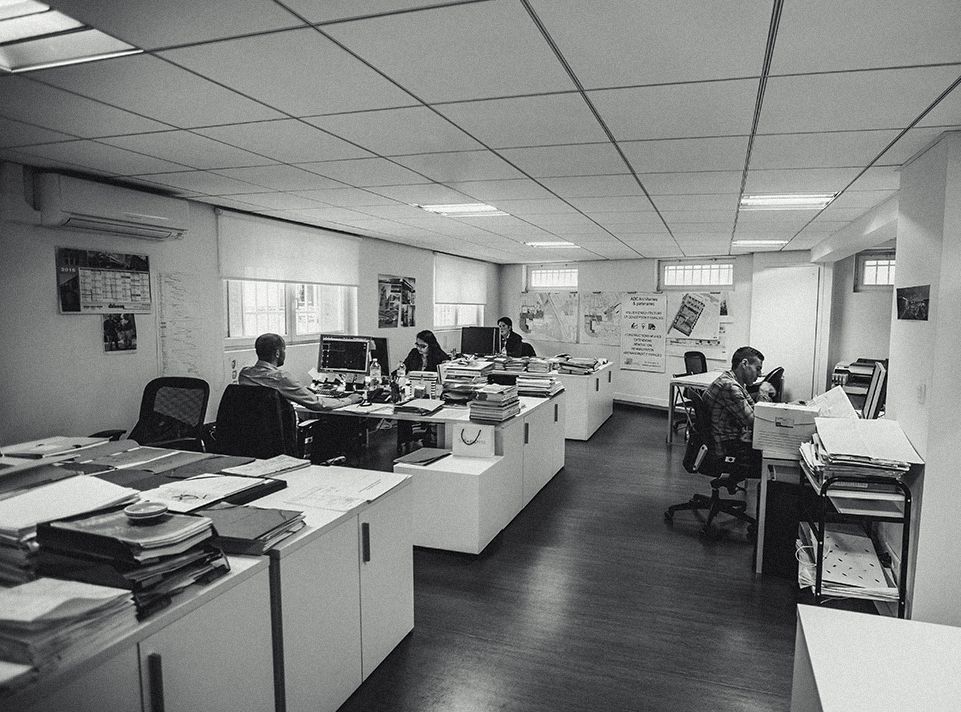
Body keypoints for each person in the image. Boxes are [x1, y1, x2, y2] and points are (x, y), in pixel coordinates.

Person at [239, 333, 362, 410]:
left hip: (257, 434)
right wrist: (349, 400)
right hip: (284, 433)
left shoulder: (244, 375)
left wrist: (301, 390)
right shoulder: (281, 378)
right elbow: (319, 404)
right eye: (284, 350)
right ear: (277, 353)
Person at [702, 346, 775, 466]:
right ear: (744, 364)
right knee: (775, 449)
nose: (759, 374)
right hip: (727, 448)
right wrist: (763, 393)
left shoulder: (733, 380)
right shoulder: (730, 387)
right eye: (757, 369)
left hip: (730, 439)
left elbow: (753, 408)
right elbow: (757, 424)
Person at [398, 330, 450, 451]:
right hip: (412, 390)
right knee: (402, 410)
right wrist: (399, 373)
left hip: (432, 393)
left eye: (423, 346)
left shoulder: (440, 357)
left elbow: (443, 378)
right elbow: (404, 369)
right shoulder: (414, 353)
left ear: (431, 345)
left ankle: (428, 439)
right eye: (417, 345)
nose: (419, 348)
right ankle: (405, 441)